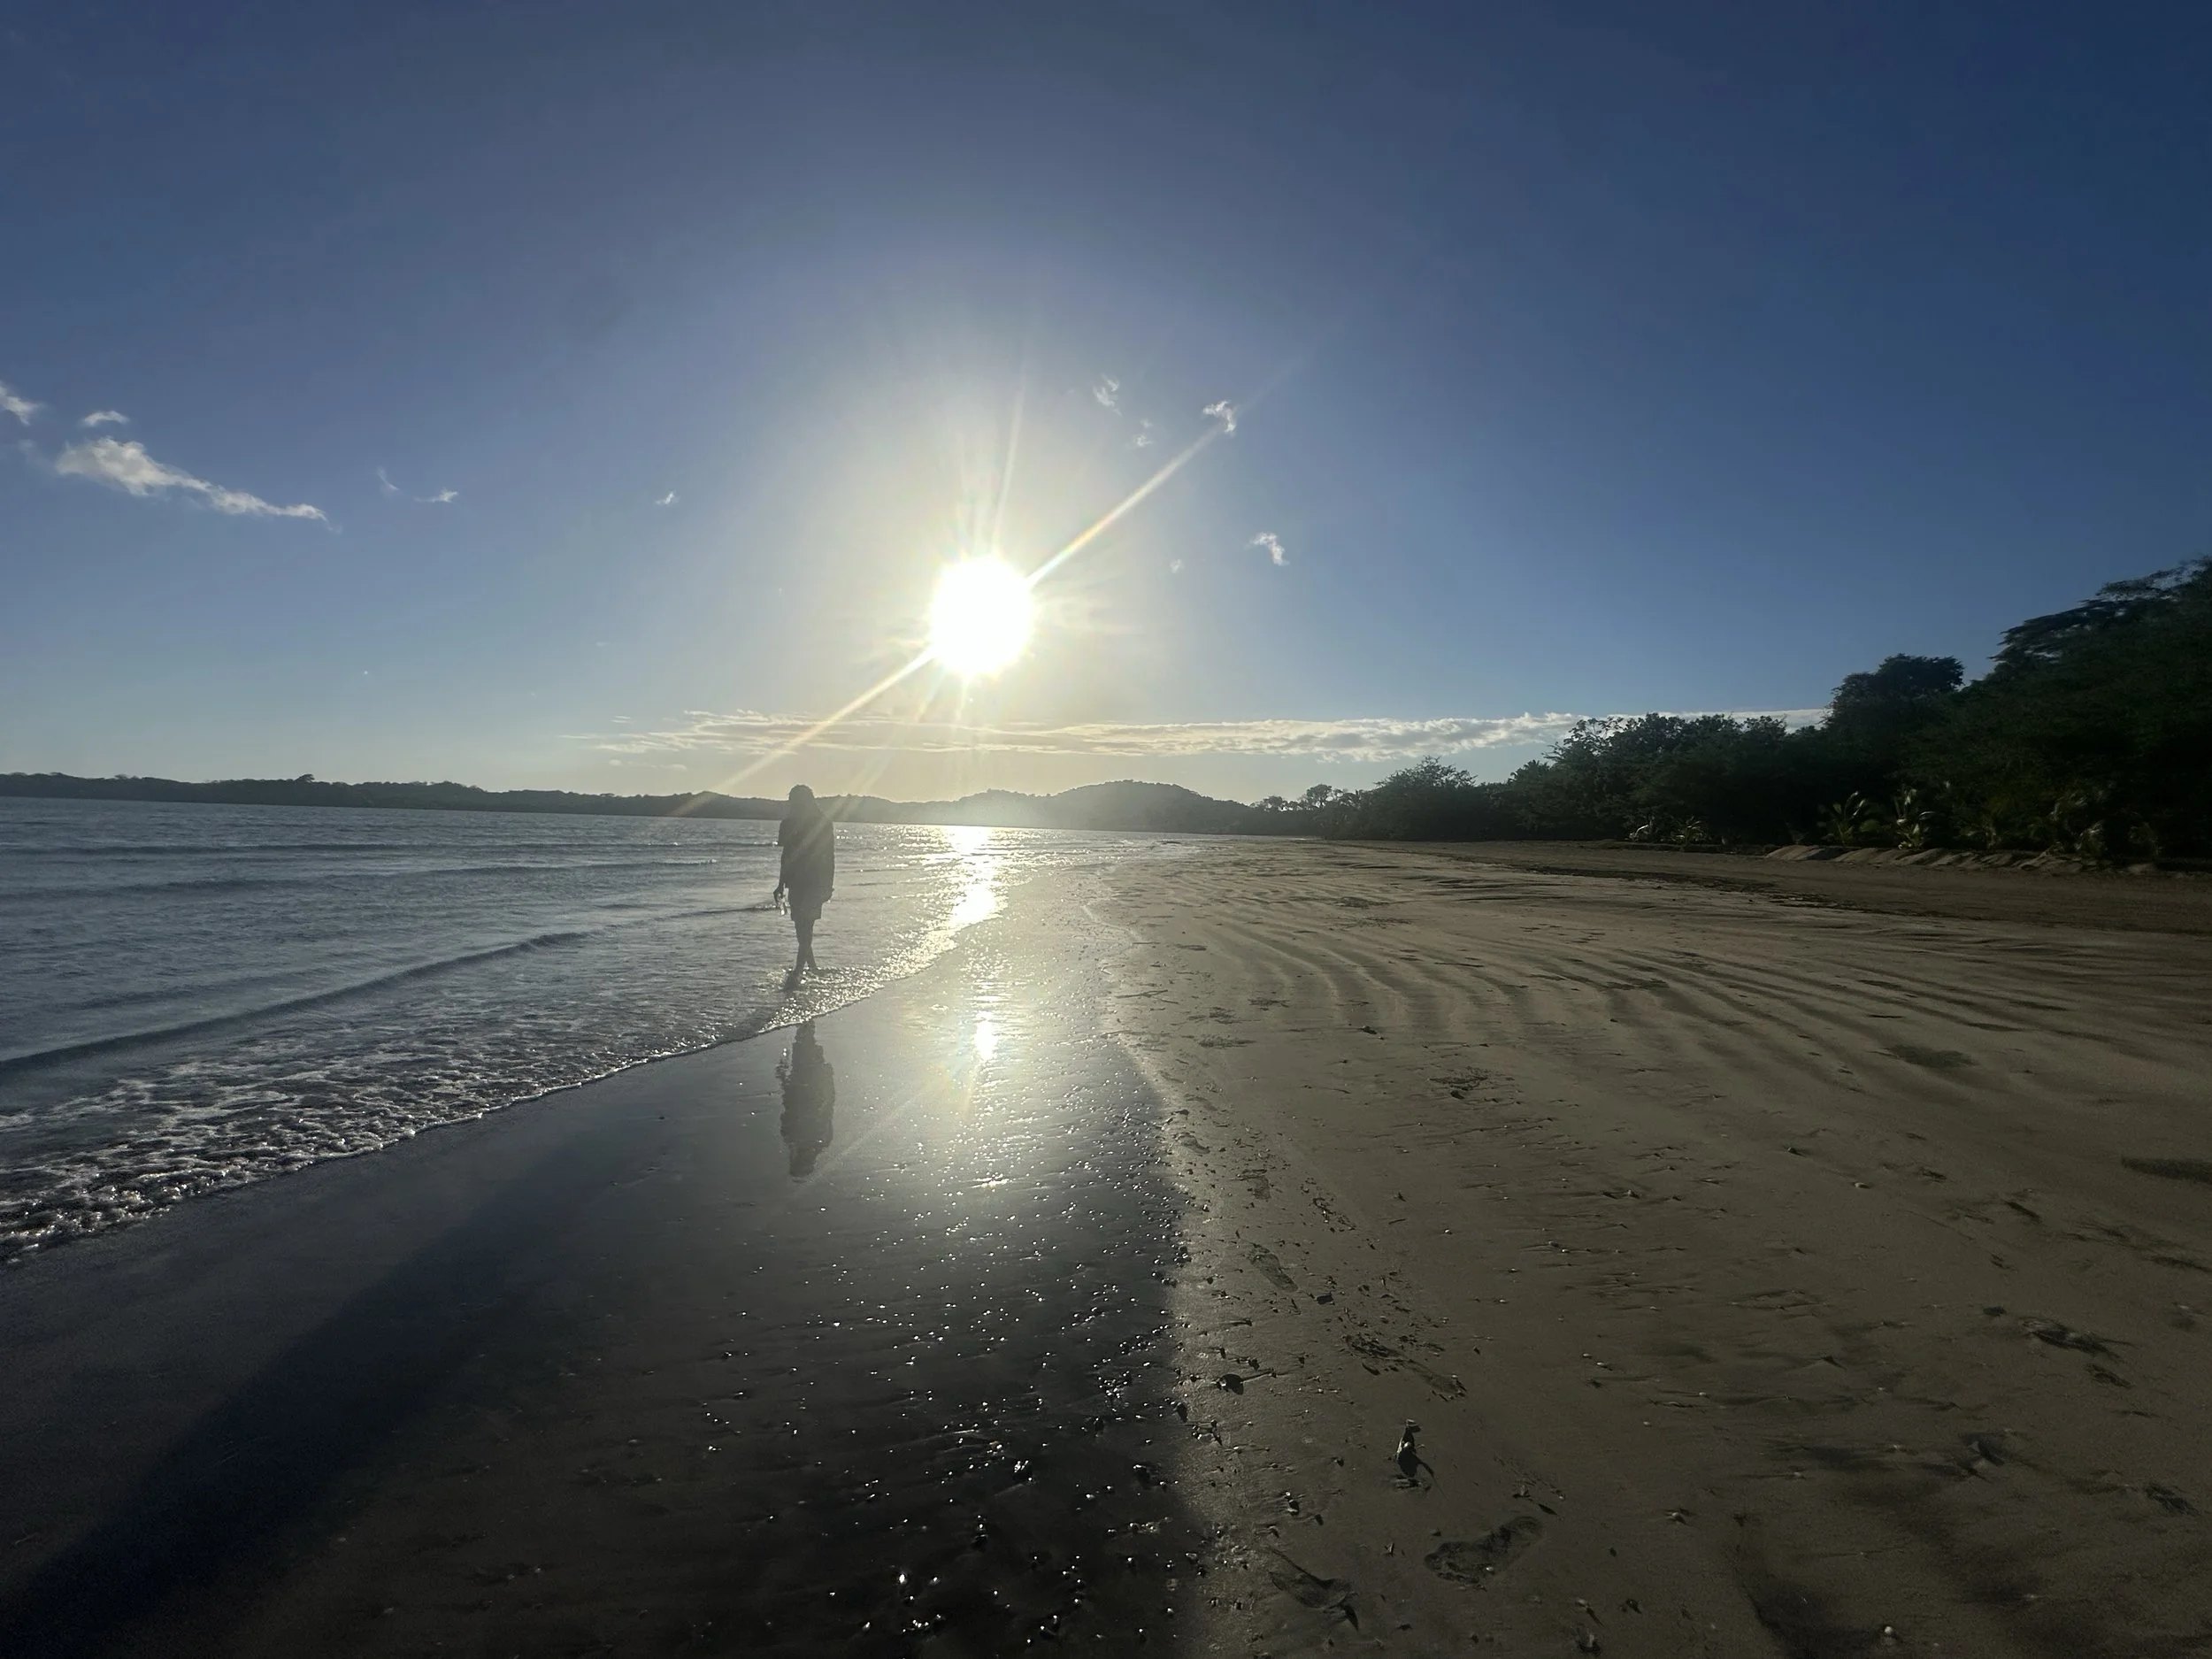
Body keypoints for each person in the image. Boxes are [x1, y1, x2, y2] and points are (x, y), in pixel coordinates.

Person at [773, 783, 834, 989]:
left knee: (806, 926)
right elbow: (786, 856)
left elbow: (829, 856)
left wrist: (828, 885)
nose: (793, 803)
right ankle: (812, 968)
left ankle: (798, 973)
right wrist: (780, 884)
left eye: (796, 799)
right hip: (796, 883)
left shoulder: (823, 823)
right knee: (801, 928)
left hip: (815, 882)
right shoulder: (788, 824)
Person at [778, 1020, 834, 1177]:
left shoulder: (792, 1136)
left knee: (805, 1042)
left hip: (805, 1083)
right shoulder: (822, 1140)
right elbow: (829, 1107)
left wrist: (783, 1079)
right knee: (806, 1041)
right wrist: (829, 1080)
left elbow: (788, 1104)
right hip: (812, 1084)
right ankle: (803, 1006)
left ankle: (802, 1006)